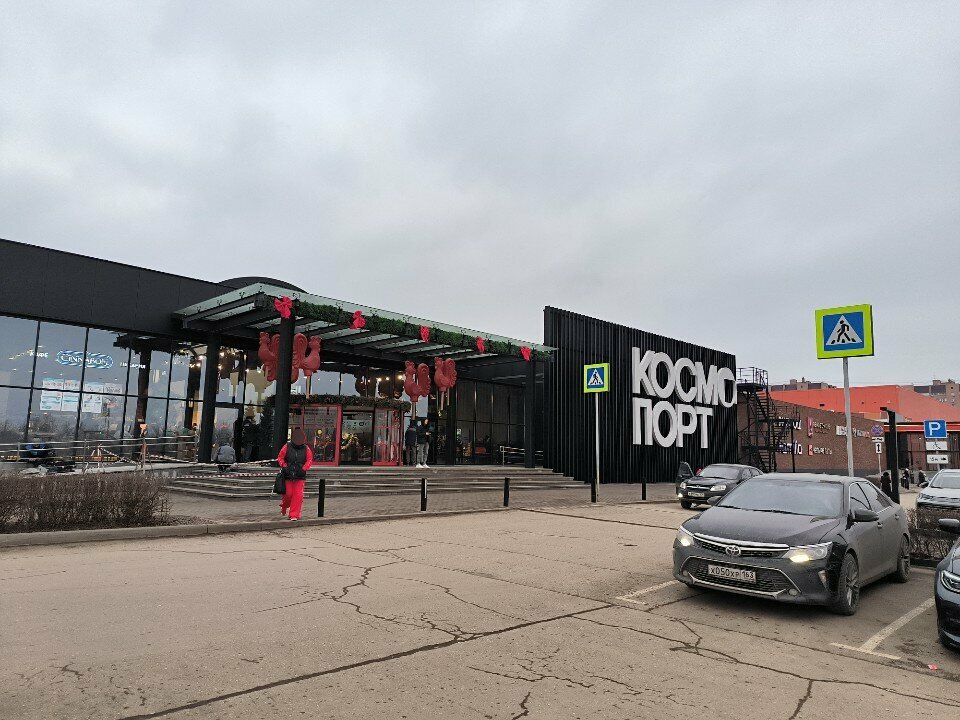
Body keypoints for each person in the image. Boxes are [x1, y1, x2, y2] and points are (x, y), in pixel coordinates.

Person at [277, 427, 313, 521]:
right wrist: (284, 466)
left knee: (298, 495)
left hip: (300, 475)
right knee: (288, 494)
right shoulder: (287, 446)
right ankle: (284, 505)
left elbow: (309, 460)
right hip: (288, 474)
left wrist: (304, 468)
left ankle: (294, 515)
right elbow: (280, 457)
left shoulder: (306, 449)